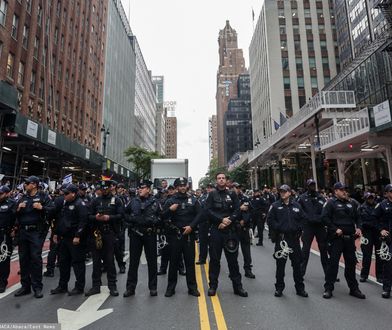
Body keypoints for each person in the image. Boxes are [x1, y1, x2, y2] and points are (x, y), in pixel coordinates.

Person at [205, 172, 248, 297]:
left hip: (230, 231)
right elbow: (207, 211)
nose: (221, 180)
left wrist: (228, 220)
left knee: (233, 261)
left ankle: (238, 287)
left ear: (226, 180)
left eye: (223, 178)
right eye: (219, 178)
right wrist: (220, 220)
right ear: (216, 181)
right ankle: (213, 286)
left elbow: (237, 210)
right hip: (216, 231)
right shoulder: (211, 194)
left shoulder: (232, 194)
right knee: (214, 260)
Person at [322, 182, 365, 299]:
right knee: (333, 264)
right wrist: (334, 229)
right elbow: (324, 218)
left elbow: (358, 217)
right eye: (341, 190)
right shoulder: (330, 203)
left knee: (351, 265)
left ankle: (354, 288)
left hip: (349, 238)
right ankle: (328, 288)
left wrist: (359, 228)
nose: (344, 191)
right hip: (336, 239)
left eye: (345, 189)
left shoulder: (351, 203)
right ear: (335, 191)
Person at [14, 176, 54, 299]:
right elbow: (14, 213)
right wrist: (18, 208)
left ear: (34, 185)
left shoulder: (43, 196)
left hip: (36, 232)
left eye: (27, 183)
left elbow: (52, 210)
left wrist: (42, 208)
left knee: (36, 259)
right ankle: (25, 286)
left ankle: (37, 287)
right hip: (23, 232)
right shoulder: (23, 197)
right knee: (23, 259)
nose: (25, 185)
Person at [267, 184, 308, 298]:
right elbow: (270, 220)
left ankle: (300, 289)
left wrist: (299, 228)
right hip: (282, 239)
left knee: (297, 266)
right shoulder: (275, 206)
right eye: (281, 191)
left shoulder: (296, 205)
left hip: (294, 239)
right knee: (280, 266)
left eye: (285, 191)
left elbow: (303, 219)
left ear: (290, 193)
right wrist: (278, 227)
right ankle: (279, 288)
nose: (283, 193)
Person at [162, 177, 201, 297]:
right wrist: (170, 210)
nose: (183, 187)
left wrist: (192, 226)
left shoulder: (193, 200)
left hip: (189, 235)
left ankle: (192, 288)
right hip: (175, 236)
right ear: (177, 187)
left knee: (190, 263)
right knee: (173, 263)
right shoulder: (170, 200)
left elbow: (200, 215)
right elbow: (162, 216)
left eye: (184, 185)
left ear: (187, 186)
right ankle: (170, 288)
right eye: (180, 185)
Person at [86, 180, 124, 297]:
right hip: (97, 233)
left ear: (110, 188)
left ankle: (112, 286)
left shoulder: (117, 200)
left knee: (109, 261)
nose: (103, 190)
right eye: (101, 189)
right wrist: (96, 217)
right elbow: (88, 216)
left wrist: (109, 217)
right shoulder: (95, 200)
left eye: (106, 188)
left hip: (110, 233)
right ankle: (95, 286)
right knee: (96, 261)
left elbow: (121, 216)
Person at [124, 180, 161, 297]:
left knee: (152, 262)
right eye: (139, 188)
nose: (140, 189)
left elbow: (161, 216)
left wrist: (155, 221)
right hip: (136, 234)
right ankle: (130, 288)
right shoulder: (133, 201)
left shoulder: (155, 202)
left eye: (143, 188)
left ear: (148, 190)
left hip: (150, 235)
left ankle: (153, 287)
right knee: (133, 262)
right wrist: (132, 221)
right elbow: (124, 214)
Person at [50, 184, 88, 295]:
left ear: (73, 193)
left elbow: (83, 221)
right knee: (63, 263)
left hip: (74, 239)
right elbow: (61, 219)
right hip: (64, 238)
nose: (64, 195)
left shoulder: (80, 204)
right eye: (64, 193)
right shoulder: (66, 203)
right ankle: (62, 286)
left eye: (67, 193)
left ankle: (79, 287)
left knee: (78, 263)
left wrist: (78, 235)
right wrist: (56, 233)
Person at [298, 179, 328, 277]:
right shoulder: (302, 198)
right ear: (307, 186)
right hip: (308, 227)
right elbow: (298, 210)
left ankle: (328, 273)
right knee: (305, 250)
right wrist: (305, 220)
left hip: (320, 226)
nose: (312, 186)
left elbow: (326, 210)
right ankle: (301, 272)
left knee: (324, 250)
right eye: (310, 185)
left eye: (313, 185)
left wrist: (321, 219)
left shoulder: (321, 198)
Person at [233, 183, 255, 279]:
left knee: (246, 251)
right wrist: (239, 209)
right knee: (233, 251)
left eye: (238, 188)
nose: (237, 189)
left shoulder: (245, 198)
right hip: (233, 228)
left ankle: (248, 270)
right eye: (235, 188)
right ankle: (234, 271)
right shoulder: (228, 198)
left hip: (244, 228)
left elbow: (250, 211)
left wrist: (244, 221)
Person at [359, 192, 383, 283]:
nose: (371, 199)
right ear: (365, 198)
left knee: (379, 255)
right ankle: (364, 275)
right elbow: (361, 221)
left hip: (377, 233)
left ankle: (379, 275)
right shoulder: (361, 208)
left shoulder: (378, 206)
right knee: (367, 255)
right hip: (367, 233)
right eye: (369, 198)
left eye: (372, 198)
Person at [373, 184, 392, 298]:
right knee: (388, 264)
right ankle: (386, 288)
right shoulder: (382, 205)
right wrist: (381, 230)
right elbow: (374, 219)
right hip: (389, 237)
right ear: (387, 193)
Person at [0, 186, 16, 293]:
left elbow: (17, 218)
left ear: (7, 193)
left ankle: (2, 283)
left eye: (1, 193)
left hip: (5, 235)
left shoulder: (11, 204)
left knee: (4, 260)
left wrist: (15, 229)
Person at [196, 184, 214, 265]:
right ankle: (202, 259)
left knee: (213, 244)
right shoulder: (202, 198)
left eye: (211, 188)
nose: (209, 189)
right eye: (208, 188)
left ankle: (214, 260)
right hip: (203, 223)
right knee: (203, 243)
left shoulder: (216, 197)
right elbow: (199, 211)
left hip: (213, 223)